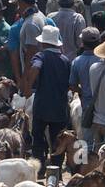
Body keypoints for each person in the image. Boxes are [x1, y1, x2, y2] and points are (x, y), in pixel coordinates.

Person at [23, 25, 71, 160]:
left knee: (38, 137)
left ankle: (40, 167)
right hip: (60, 107)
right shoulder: (65, 60)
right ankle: (57, 171)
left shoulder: (40, 56)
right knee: (58, 138)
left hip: (42, 105)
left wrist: (28, 87)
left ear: (43, 42)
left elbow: (36, 67)